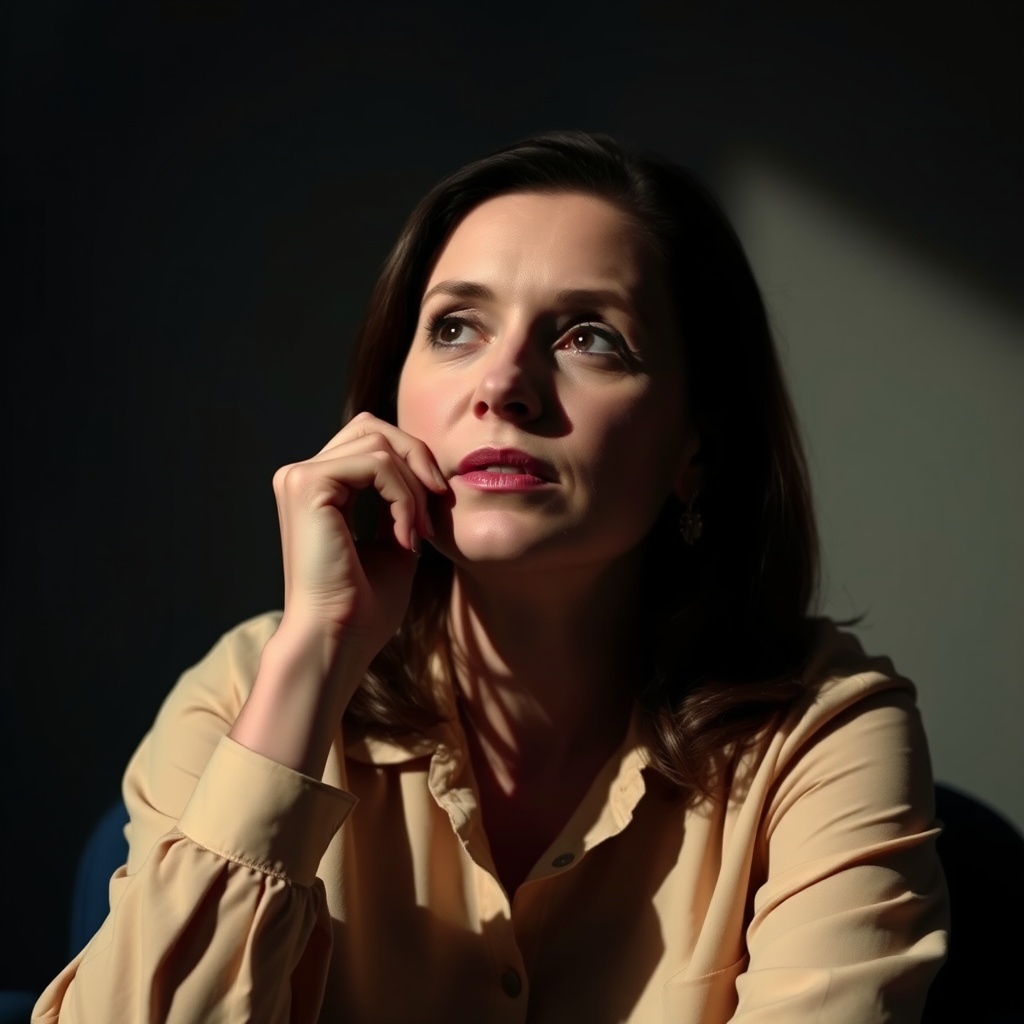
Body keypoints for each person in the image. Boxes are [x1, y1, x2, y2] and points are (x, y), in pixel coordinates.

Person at [34, 131, 948, 1023]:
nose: (504, 383)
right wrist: (315, 653)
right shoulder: (247, 687)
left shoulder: (823, 732)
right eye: (456, 327)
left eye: (590, 337)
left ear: (695, 449)